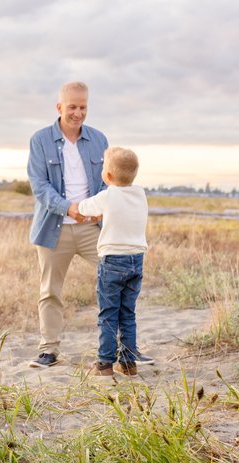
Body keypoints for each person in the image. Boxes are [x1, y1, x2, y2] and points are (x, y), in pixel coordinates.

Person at [26, 81, 152, 369]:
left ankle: (127, 349)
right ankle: (49, 350)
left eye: (83, 107)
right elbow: (40, 186)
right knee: (50, 290)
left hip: (93, 230)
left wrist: (97, 211)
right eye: (72, 107)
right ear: (59, 107)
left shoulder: (99, 139)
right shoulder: (40, 140)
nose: (78, 113)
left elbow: (107, 182)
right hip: (53, 227)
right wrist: (68, 207)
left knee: (118, 283)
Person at [79, 147, 148, 377]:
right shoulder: (140, 194)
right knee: (127, 313)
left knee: (108, 313)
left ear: (107, 176)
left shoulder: (107, 195)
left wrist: (88, 210)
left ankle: (105, 364)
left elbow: (84, 208)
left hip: (112, 261)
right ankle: (128, 363)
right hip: (136, 260)